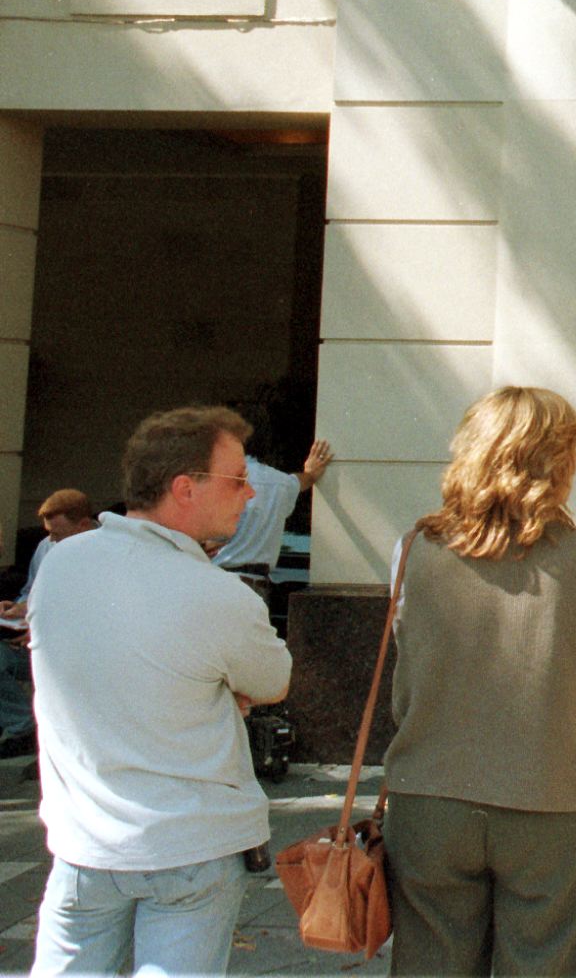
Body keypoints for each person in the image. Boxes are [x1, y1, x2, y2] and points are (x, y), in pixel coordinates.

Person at [27, 406, 291, 976]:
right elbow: (272, 681)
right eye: (238, 478)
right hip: (191, 849)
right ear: (184, 488)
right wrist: (221, 692)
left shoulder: (60, 564)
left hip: (83, 846)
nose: (250, 495)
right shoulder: (219, 596)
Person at [381, 386, 576, 976]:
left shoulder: (412, 550)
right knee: (546, 963)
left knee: (428, 964)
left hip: (430, 795)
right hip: (555, 796)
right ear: (560, 463)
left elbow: (409, 649)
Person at [0, 490, 100, 756]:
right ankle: (23, 726)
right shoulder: (48, 545)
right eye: (49, 533)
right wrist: (19, 608)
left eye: (58, 534)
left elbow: (94, 613)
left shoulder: (105, 554)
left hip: (76, 650)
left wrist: (44, 631)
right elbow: (33, 589)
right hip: (34, 635)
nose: (52, 540)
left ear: (83, 525)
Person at [211, 437, 331, 605]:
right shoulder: (280, 483)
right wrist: (310, 473)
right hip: (257, 587)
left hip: (220, 583)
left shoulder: (218, 480)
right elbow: (301, 481)